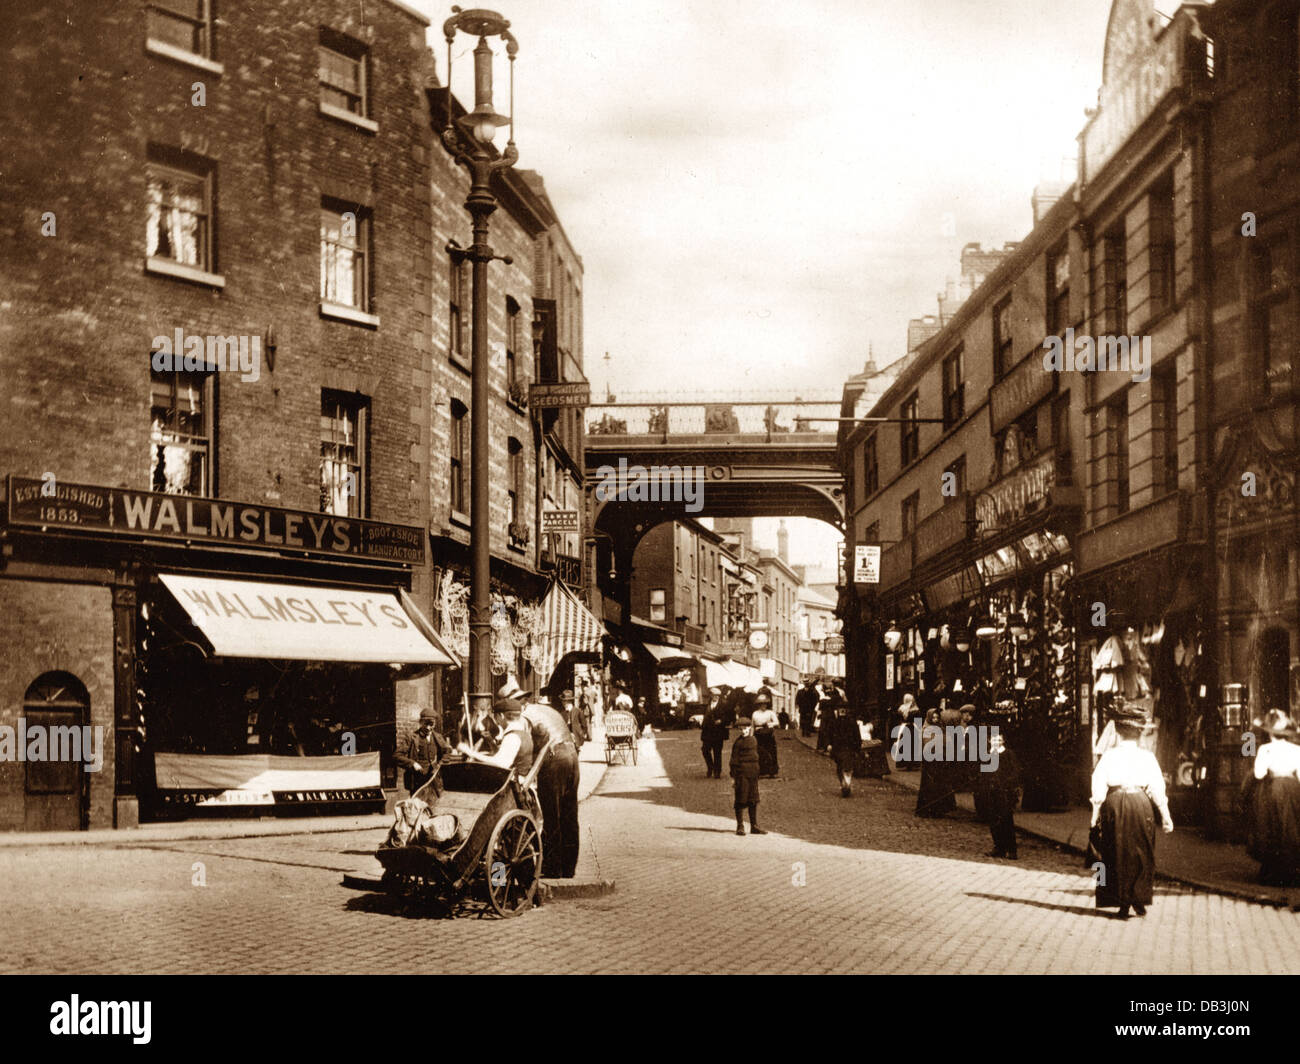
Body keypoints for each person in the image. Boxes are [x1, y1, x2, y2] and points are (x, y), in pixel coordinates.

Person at [1090, 706, 1174, 918]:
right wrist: (1165, 815)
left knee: (1114, 851)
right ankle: (1138, 898)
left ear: (1118, 732)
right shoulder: (1147, 757)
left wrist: (1094, 814)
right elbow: (1156, 787)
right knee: (1142, 851)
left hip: (1115, 804)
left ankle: (1122, 900)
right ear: (1140, 734)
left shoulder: (1109, 756)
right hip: (1140, 804)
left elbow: (1098, 783)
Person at [515, 686, 581, 879]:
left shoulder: (525, 716)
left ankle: (553, 868)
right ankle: (569, 868)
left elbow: (524, 749)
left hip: (553, 760)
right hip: (571, 756)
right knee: (569, 814)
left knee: (552, 814)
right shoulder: (545, 709)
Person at [1242, 709, 1300, 886]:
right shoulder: (1296, 749)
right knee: (1291, 828)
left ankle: (1273, 872)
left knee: (1271, 828)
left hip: (1273, 791)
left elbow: (1259, 774)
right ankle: (1293, 871)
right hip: (1293, 790)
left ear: (1270, 733)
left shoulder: (1265, 749)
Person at [974, 728, 1022, 859]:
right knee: (993, 820)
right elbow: (982, 772)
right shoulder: (987, 755)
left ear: (1003, 741)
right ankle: (998, 847)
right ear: (990, 740)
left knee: (1006, 820)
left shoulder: (1008, 754)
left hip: (1005, 793)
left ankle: (1011, 849)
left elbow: (1015, 772)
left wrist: (1006, 784)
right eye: (994, 739)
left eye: (999, 739)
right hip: (991, 792)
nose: (997, 742)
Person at [458, 697, 534, 777]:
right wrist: (491, 742)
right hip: (514, 778)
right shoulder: (523, 733)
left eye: (496, 717)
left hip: (510, 783)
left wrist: (469, 752)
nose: (496, 721)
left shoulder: (512, 737)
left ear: (501, 715)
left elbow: (500, 763)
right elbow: (505, 755)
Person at [394, 709, 452, 798]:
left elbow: (447, 752)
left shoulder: (438, 737)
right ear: (421, 722)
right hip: (417, 780)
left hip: (433, 780)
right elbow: (397, 756)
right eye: (426, 724)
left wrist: (439, 765)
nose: (429, 728)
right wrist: (413, 763)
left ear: (435, 723)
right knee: (417, 805)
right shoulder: (411, 737)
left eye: (431, 724)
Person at [915, 710, 955, 818]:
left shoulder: (940, 728)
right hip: (930, 761)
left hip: (939, 760)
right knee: (930, 785)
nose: (936, 720)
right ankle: (929, 809)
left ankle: (939, 809)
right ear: (929, 718)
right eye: (934, 718)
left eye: (937, 717)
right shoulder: (926, 729)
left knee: (939, 785)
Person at [729, 716, 765, 836]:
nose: (743, 731)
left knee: (753, 799)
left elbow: (757, 756)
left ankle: (754, 825)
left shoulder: (754, 740)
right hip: (742, 775)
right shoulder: (738, 743)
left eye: (745, 728)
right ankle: (740, 826)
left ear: (750, 728)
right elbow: (733, 761)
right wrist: (733, 778)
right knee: (740, 799)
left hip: (753, 774)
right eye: (741, 729)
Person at [827, 696, 861, 797]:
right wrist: (829, 744)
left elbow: (857, 736)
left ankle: (846, 784)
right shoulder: (834, 722)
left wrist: (857, 747)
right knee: (840, 766)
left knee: (847, 767)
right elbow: (829, 734)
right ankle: (844, 783)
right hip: (837, 748)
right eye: (840, 709)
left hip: (849, 748)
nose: (842, 711)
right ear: (837, 710)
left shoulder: (852, 722)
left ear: (847, 710)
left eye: (844, 709)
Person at [700, 686, 732, 778]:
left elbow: (729, 717)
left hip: (719, 731)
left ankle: (717, 771)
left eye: (718, 695)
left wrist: (721, 721)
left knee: (717, 752)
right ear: (711, 695)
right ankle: (710, 767)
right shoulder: (707, 704)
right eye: (714, 695)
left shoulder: (724, 705)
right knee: (705, 750)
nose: (716, 697)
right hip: (707, 731)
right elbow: (704, 715)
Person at [751, 688, 780, 778]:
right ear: (758, 705)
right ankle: (761, 771)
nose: (763, 706)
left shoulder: (770, 713)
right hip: (758, 734)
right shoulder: (755, 713)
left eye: (765, 704)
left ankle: (772, 771)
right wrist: (751, 736)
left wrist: (769, 724)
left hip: (768, 734)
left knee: (771, 752)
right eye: (761, 704)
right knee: (759, 753)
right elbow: (752, 725)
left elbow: (777, 723)